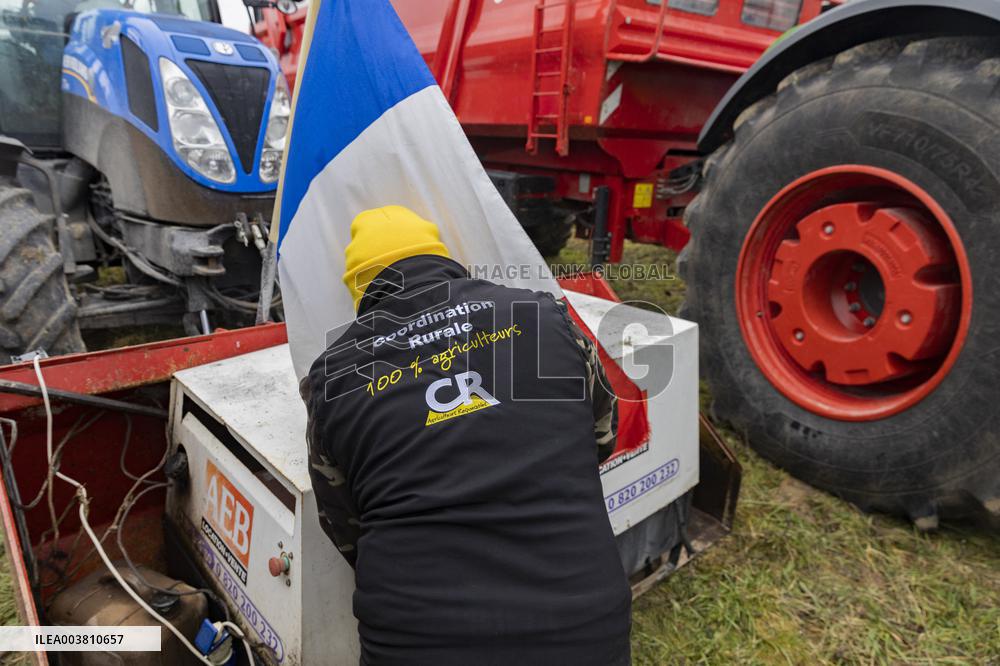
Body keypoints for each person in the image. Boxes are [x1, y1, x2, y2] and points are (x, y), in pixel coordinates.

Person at [299, 205, 631, 665]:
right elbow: (600, 438)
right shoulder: (543, 315)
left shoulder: (333, 376)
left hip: (419, 644)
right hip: (583, 628)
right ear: (445, 259)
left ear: (361, 290)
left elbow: (344, 524)